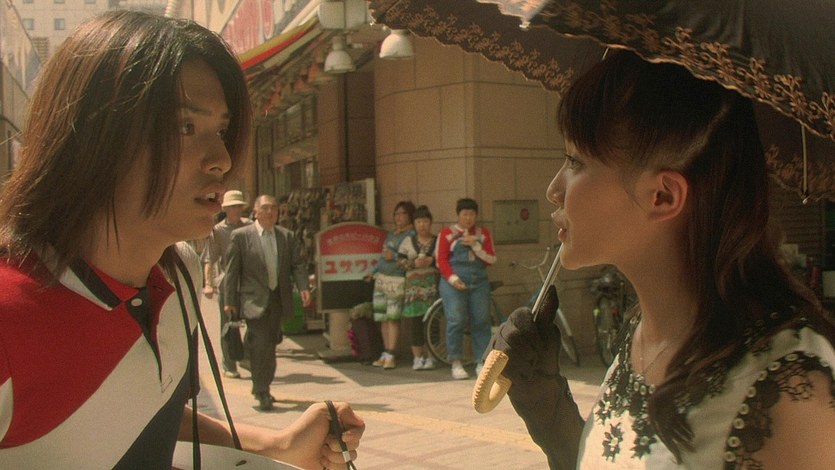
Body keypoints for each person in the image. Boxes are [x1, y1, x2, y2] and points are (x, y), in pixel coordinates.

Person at [0, 11, 363, 469]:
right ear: (93, 136)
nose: (221, 159)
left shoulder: (180, 275)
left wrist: (277, 446)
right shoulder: (9, 315)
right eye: (185, 127)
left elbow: (149, 412)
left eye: (222, 130)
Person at [492, 50, 835, 469]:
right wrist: (548, 410)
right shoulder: (641, 332)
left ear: (663, 196)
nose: (553, 189)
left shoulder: (789, 390)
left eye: (575, 162)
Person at [223, 194, 311, 411]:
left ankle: (262, 382)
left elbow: (297, 265)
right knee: (261, 345)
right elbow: (232, 272)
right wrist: (229, 300)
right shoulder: (241, 236)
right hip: (253, 300)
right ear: (255, 211)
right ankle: (261, 389)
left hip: (277, 300)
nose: (269, 212)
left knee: (271, 345)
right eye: (265, 208)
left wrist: (303, 287)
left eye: (273, 208)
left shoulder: (286, 236)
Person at [436, 198, 497, 379]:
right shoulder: (447, 233)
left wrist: (476, 246)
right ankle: (455, 362)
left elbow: (492, 259)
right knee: (456, 320)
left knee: (482, 320)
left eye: (471, 214)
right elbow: (441, 260)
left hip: (479, 282)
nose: (468, 218)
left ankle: (482, 361)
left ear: (476, 215)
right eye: (465, 214)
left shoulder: (483, 234)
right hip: (453, 283)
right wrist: (453, 279)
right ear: (458, 215)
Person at [202, 189, 252, 378]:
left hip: (249, 283)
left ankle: (246, 355)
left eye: (239, 206)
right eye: (232, 207)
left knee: (255, 322)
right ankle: (229, 365)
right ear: (226, 209)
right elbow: (209, 258)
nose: (236, 210)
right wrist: (208, 284)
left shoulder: (250, 226)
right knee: (229, 325)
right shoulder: (218, 231)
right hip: (227, 284)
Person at [367, 201, 416, 369]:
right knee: (382, 318)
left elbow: (411, 258)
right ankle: (385, 352)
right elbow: (383, 257)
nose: (398, 217)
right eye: (396, 214)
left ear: (410, 215)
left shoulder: (411, 235)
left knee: (393, 318)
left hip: (397, 279)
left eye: (402, 213)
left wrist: (394, 257)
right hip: (382, 278)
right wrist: (373, 271)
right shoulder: (391, 234)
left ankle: (391, 353)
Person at [397, 205, 439, 370]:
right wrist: (413, 263)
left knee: (432, 321)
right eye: (419, 222)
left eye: (425, 221)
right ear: (414, 224)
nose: (422, 225)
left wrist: (432, 261)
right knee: (415, 322)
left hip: (432, 287)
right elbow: (399, 262)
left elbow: (444, 259)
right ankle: (417, 357)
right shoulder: (408, 241)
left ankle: (431, 356)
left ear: (430, 222)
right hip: (413, 289)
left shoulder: (437, 240)